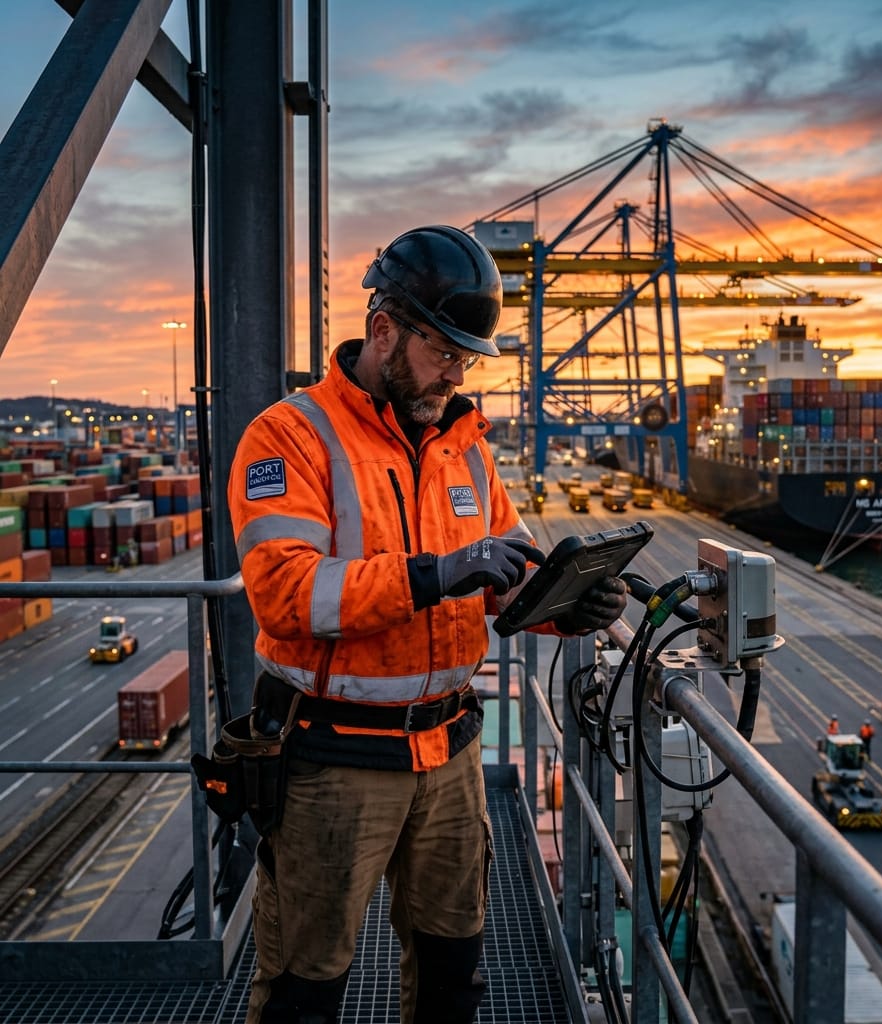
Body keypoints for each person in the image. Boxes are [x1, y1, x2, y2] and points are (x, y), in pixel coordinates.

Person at [226, 224, 628, 1024]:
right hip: (333, 759)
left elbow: (506, 575)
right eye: (444, 352)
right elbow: (286, 595)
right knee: (306, 991)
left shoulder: (464, 446)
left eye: (466, 357)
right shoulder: (291, 436)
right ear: (384, 330)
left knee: (454, 976)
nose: (457, 372)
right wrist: (432, 574)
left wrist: (567, 606)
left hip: (449, 754)